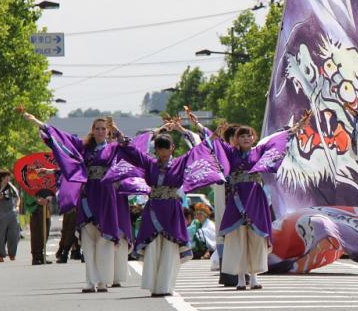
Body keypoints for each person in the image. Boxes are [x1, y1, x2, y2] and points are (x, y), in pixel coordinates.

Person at [190, 110, 304, 291]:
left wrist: (294, 130)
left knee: (256, 238)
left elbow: (277, 141)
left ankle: (254, 277)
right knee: (237, 239)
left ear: (253, 138)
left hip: (255, 198)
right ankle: (241, 278)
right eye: (242, 136)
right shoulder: (230, 152)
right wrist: (199, 126)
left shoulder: (259, 151)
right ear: (236, 139)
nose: (246, 138)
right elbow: (215, 142)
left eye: (249, 135)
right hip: (236, 199)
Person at [23, 111, 131, 292]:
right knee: (88, 242)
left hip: (106, 196)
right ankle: (90, 281)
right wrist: (38, 123)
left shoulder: (113, 148)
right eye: (97, 128)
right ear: (92, 130)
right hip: (87, 195)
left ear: (108, 131)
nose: (100, 131)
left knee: (104, 241)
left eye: (104, 129)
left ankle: (103, 281)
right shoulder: (83, 147)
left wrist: (118, 131)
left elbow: (129, 147)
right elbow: (63, 141)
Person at [114, 121, 224, 297]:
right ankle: (152, 284)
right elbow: (133, 151)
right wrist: (119, 135)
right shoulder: (149, 162)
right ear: (156, 149)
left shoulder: (180, 162)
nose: (163, 153)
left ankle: (165, 286)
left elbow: (199, 151)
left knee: (170, 248)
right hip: (153, 208)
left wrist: (213, 137)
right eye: (160, 149)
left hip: (173, 209)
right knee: (153, 246)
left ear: (172, 148)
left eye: (166, 149)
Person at [0, 170, 20, 262]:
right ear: (2, 178)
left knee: (14, 235)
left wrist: (17, 206)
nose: (9, 178)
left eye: (9, 176)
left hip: (12, 214)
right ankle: (0, 255)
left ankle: (12, 254)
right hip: (0, 214)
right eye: (6, 177)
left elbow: (18, 198)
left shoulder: (12, 187)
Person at [22, 191, 52, 265]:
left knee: (45, 232)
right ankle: (36, 257)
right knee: (37, 233)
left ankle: (40, 254)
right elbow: (27, 195)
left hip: (45, 207)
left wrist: (47, 200)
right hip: (36, 209)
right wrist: (38, 201)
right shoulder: (29, 180)